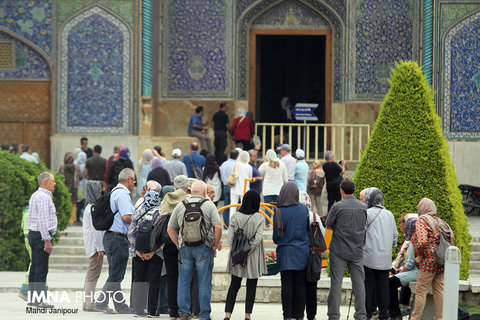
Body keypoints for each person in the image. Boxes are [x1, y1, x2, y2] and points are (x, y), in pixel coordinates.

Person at [167, 180, 222, 320]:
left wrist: (178, 244)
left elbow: (170, 228)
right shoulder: (209, 205)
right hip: (204, 247)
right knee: (204, 282)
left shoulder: (180, 205)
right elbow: (218, 227)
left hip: (185, 247)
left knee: (183, 282)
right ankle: (204, 315)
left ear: (190, 191)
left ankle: (184, 313)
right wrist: (215, 245)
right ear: (204, 192)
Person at [95, 168, 135, 314]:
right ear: (129, 179)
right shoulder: (123, 194)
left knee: (114, 272)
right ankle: (101, 302)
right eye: (134, 181)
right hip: (117, 238)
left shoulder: (113, 192)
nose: (134, 184)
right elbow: (126, 217)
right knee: (117, 274)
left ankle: (121, 306)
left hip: (111, 237)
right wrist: (138, 218)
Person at [326, 179, 367, 320]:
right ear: (354, 190)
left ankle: (334, 315)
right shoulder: (363, 207)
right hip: (357, 249)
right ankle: (361, 314)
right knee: (359, 283)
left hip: (339, 249)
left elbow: (329, 224)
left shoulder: (338, 207)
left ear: (341, 190)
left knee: (336, 283)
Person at [224, 190, 267, 320]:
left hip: (237, 255)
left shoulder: (235, 216)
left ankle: (227, 315)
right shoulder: (259, 217)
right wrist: (249, 249)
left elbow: (230, 237)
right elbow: (258, 237)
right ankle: (247, 316)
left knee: (234, 285)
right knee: (251, 286)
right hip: (253, 256)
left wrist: (239, 250)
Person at [410, 198, 454, 320]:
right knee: (439, 291)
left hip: (429, 261)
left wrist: (422, 255)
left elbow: (423, 241)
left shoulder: (422, 221)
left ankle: (415, 318)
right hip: (442, 261)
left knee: (420, 291)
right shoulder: (440, 221)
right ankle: (440, 318)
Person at [273, 182, 310, 320]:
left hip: (285, 252)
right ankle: (299, 314)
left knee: (287, 285)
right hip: (301, 251)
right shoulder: (303, 209)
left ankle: (287, 315)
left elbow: (276, 236)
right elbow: (307, 230)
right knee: (300, 284)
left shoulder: (279, 211)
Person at [362, 188, 398, 320]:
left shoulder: (367, 213)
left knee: (368, 286)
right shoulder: (389, 214)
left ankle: (368, 313)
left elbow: (362, 233)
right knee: (383, 287)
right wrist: (389, 247)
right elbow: (395, 236)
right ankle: (383, 314)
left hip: (369, 257)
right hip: (384, 259)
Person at [128, 190, 163, 317]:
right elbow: (160, 235)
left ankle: (138, 309)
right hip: (155, 254)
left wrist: (137, 250)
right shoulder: (159, 213)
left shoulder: (137, 212)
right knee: (154, 280)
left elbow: (130, 233)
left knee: (139, 279)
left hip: (138, 253)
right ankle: (152, 310)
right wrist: (153, 251)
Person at [27, 172, 57, 308]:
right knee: (41, 268)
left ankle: (33, 298)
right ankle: (39, 300)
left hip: (34, 234)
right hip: (40, 236)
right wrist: (47, 240)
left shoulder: (35, 195)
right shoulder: (44, 198)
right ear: (46, 181)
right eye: (53, 181)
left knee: (35, 266)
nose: (55, 183)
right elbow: (43, 220)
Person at [298, 191, 326, 320]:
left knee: (300, 285)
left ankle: (299, 314)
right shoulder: (314, 216)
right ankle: (311, 315)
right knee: (312, 286)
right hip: (313, 255)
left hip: (299, 254)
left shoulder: (297, 215)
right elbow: (323, 234)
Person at [161, 185, 186, 319]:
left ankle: (173, 311)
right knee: (185, 278)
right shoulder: (184, 202)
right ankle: (184, 310)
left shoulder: (165, 201)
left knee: (171, 278)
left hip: (168, 244)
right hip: (182, 244)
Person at [82, 180, 106, 312]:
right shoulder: (93, 208)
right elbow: (97, 230)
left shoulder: (89, 207)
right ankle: (89, 303)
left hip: (92, 245)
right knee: (93, 274)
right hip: (95, 246)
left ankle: (87, 302)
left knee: (91, 274)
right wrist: (100, 248)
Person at [389, 215, 418, 320]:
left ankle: (395, 315)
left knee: (390, 283)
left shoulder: (414, 240)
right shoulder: (419, 237)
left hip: (416, 273)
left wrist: (398, 274)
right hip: (419, 272)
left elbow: (409, 265)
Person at [59, 152, 81, 224]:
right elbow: (80, 177)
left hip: (64, 187)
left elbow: (59, 177)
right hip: (74, 187)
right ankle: (72, 220)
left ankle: (65, 220)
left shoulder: (62, 167)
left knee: (65, 202)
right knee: (73, 203)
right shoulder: (76, 167)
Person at [229, 151, 253, 218]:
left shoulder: (236, 164)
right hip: (245, 189)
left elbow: (232, 174)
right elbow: (250, 178)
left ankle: (231, 221)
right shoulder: (249, 167)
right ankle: (244, 221)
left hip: (235, 188)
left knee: (233, 206)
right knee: (245, 206)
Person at [219, 149, 239, 228]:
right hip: (234, 186)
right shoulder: (236, 164)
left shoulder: (224, 164)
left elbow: (221, 175)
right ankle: (234, 224)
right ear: (237, 156)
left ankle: (226, 224)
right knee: (235, 205)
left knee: (226, 205)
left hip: (225, 185)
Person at [75, 151, 87, 226]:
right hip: (83, 186)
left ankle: (77, 219)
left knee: (78, 204)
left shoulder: (75, 164)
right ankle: (84, 218)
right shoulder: (85, 166)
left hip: (76, 186)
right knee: (84, 203)